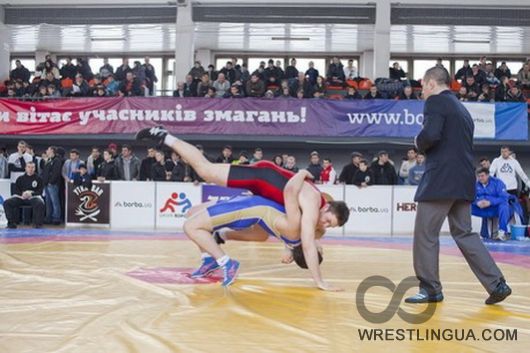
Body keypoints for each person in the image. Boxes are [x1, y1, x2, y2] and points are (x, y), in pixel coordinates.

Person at [136, 126, 350, 291]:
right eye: (329, 220)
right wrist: (319, 281)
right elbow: (307, 244)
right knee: (205, 170)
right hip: (262, 178)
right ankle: (165, 137)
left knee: (257, 234)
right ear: (328, 207)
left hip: (262, 192)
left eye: (329, 227)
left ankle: (211, 253)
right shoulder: (313, 204)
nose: (325, 225)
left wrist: (289, 249)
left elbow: (302, 240)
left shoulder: (313, 218)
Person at [405, 66, 510, 305]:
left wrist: (417, 142)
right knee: (465, 233)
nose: (422, 92)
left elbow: (430, 136)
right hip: (463, 180)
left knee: (426, 234)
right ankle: (497, 284)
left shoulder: (435, 103)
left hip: (441, 180)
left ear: (431, 83)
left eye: (423, 87)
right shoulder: (463, 110)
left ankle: (430, 289)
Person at [184, 172, 323, 286]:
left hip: (247, 207)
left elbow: (290, 192)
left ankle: (226, 262)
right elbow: (298, 243)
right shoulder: (297, 237)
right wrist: (289, 249)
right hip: (246, 201)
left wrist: (302, 173)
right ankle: (209, 259)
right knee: (192, 212)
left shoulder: (297, 231)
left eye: (319, 248)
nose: (319, 243)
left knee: (191, 226)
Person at [472, 168, 522, 241]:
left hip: (495, 208)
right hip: (482, 208)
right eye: (478, 176)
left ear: (488, 175)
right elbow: (471, 197)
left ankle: (502, 232)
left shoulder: (498, 183)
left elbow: (504, 198)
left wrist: (490, 202)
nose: (480, 178)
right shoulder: (476, 184)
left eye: (482, 176)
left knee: (504, 206)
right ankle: (464, 231)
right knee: (465, 206)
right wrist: (477, 202)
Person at [3, 162, 45, 229]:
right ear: (25, 168)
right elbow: (16, 190)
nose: (30, 169)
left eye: (32, 167)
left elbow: (40, 191)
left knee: (40, 203)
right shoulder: (20, 178)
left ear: (35, 168)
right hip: (21, 197)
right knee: (7, 203)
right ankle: (11, 223)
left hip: (33, 197)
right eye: (29, 167)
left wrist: (31, 193)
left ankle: (37, 224)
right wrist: (22, 194)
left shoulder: (39, 179)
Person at [41, 146, 63, 225]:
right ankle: (48, 217)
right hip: (47, 184)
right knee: (48, 201)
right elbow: (45, 171)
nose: (46, 151)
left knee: (54, 201)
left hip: (52, 184)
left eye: (48, 149)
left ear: (52, 151)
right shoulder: (48, 160)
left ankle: (56, 217)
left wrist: (51, 182)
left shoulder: (56, 160)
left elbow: (56, 172)